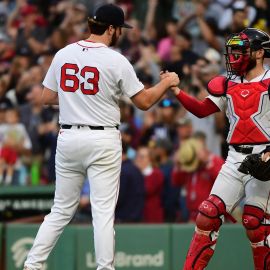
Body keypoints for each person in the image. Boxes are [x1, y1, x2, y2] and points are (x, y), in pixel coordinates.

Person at [23, 3, 179, 270]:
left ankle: (33, 265)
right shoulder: (116, 59)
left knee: (60, 210)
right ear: (110, 29)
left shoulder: (64, 53)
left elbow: (47, 97)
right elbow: (143, 102)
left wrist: (79, 100)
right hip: (102, 138)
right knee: (103, 213)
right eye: (119, 28)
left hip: (69, 136)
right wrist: (166, 82)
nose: (120, 33)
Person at [165, 28, 270, 269]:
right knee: (208, 213)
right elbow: (203, 110)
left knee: (256, 224)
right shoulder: (227, 82)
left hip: (265, 156)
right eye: (233, 50)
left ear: (259, 53)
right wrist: (177, 92)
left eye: (241, 50)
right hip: (234, 157)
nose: (234, 55)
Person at [172, 135, 224, 222]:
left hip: (212, 216)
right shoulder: (190, 162)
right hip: (192, 215)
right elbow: (176, 182)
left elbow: (222, 181)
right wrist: (177, 165)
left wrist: (207, 164)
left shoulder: (215, 161)